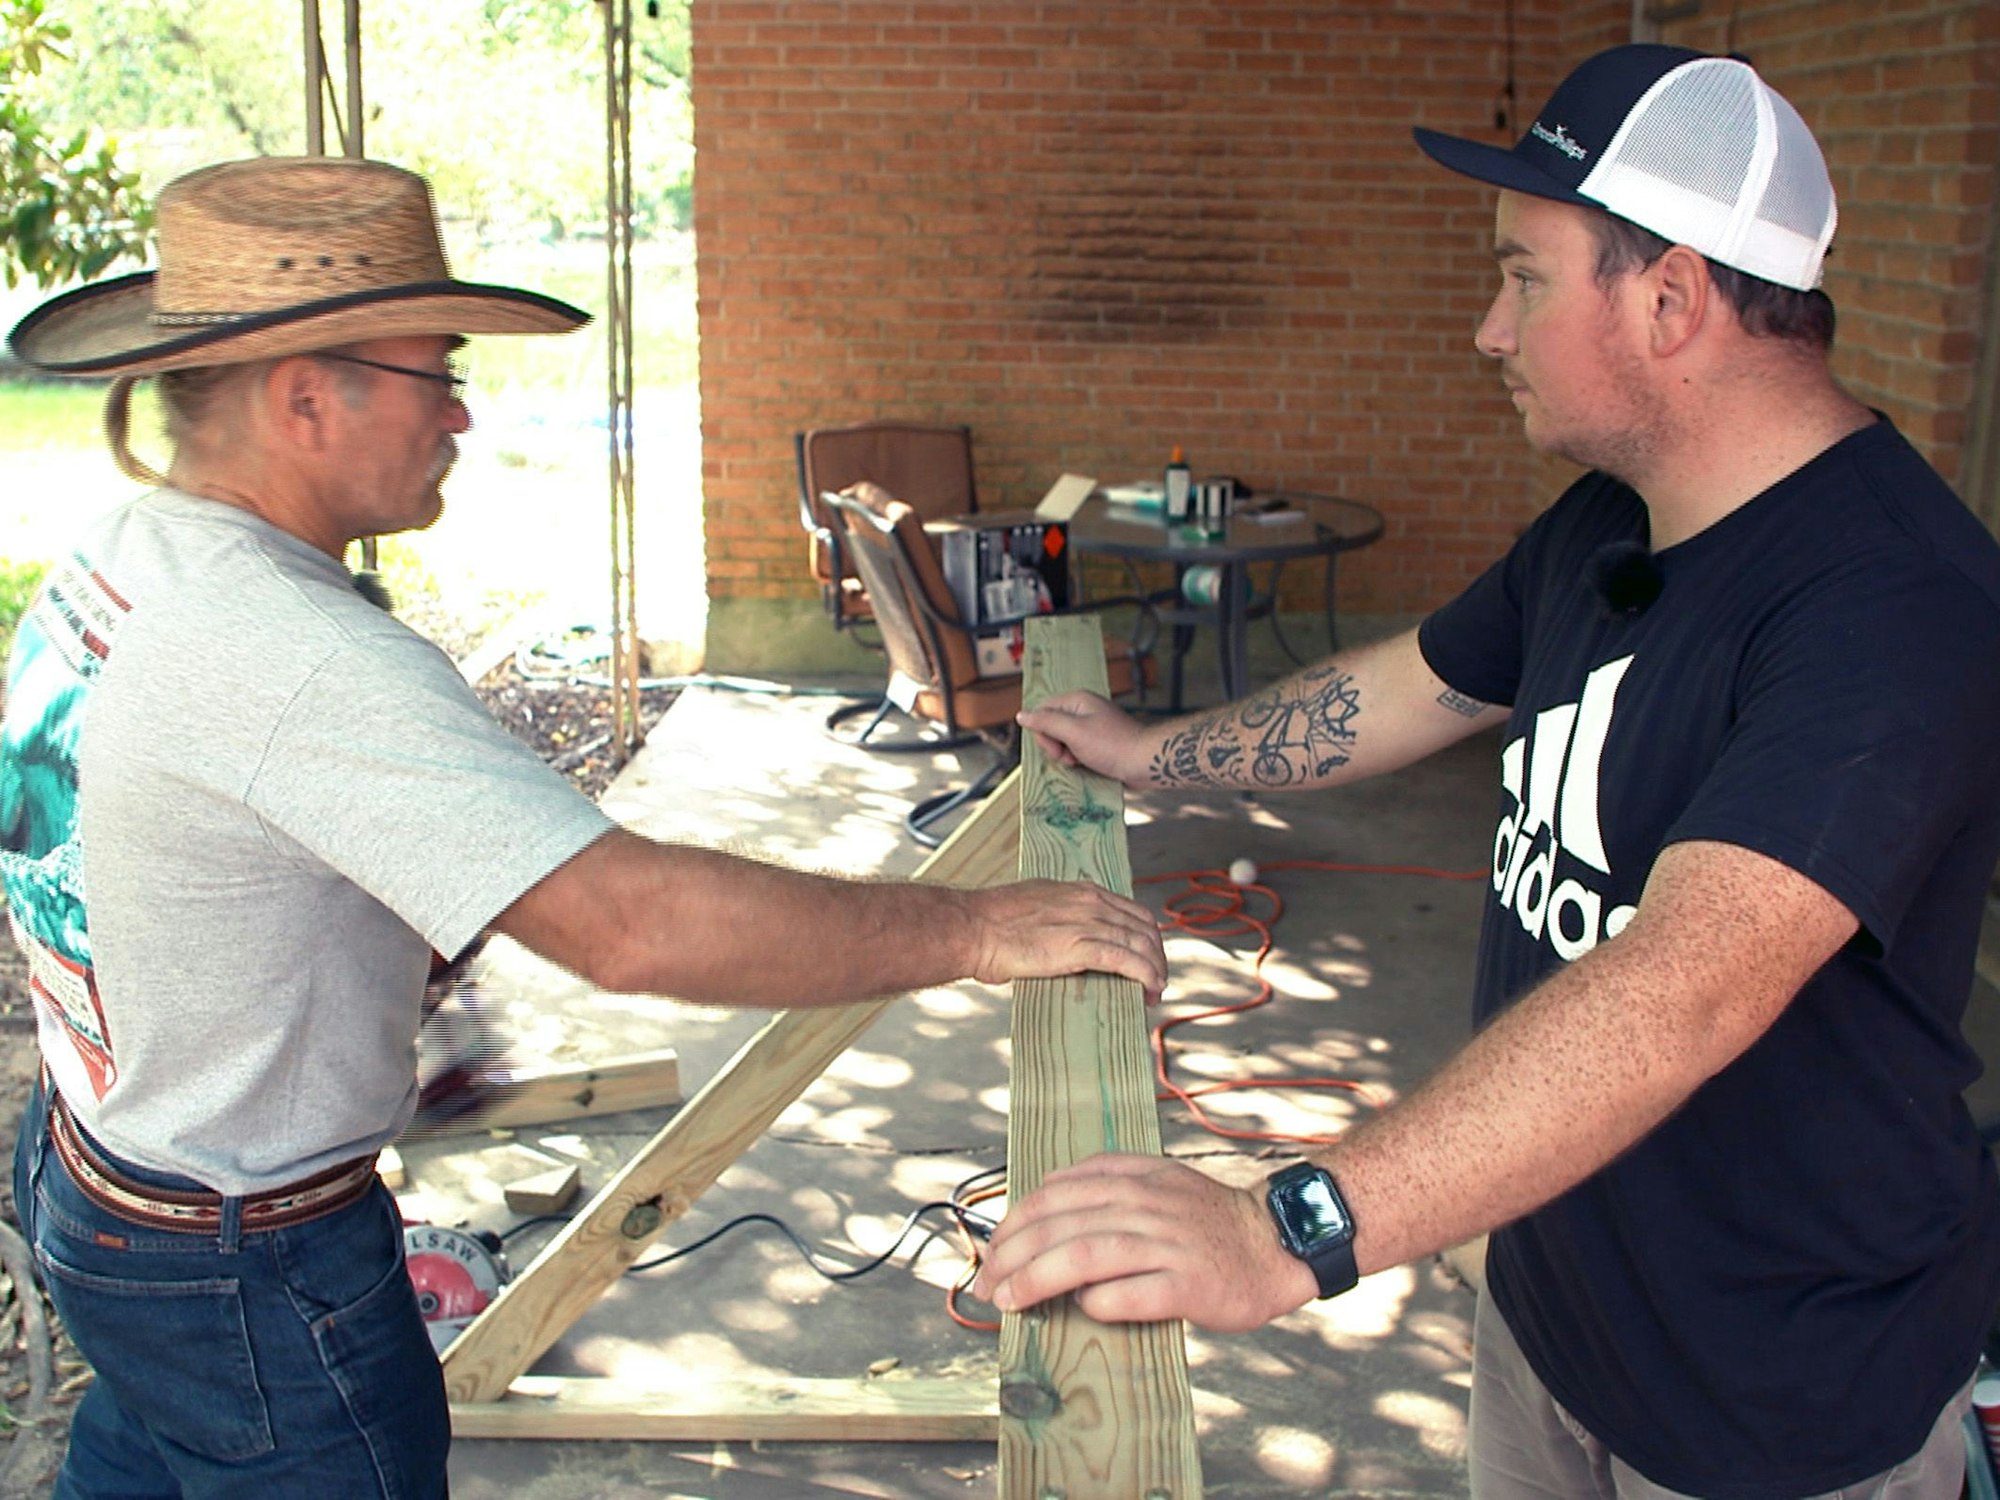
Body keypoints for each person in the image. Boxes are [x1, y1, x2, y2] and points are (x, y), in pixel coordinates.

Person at [0, 155, 1167, 1499]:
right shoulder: (295, 650)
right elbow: (627, 924)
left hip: (98, 1177)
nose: (462, 418)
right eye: (438, 373)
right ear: (306, 397)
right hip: (243, 1263)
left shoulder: (125, 555)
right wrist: (973, 929)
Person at [974, 43, 2000, 1500]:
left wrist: (1288, 1232)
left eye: (1523, 277)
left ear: (1669, 298)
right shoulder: (1607, 522)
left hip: (1774, 1404)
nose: (1487, 329)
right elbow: (1408, 687)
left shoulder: (1895, 608)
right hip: (1553, 1310)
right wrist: (1155, 758)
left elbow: (1688, 983)